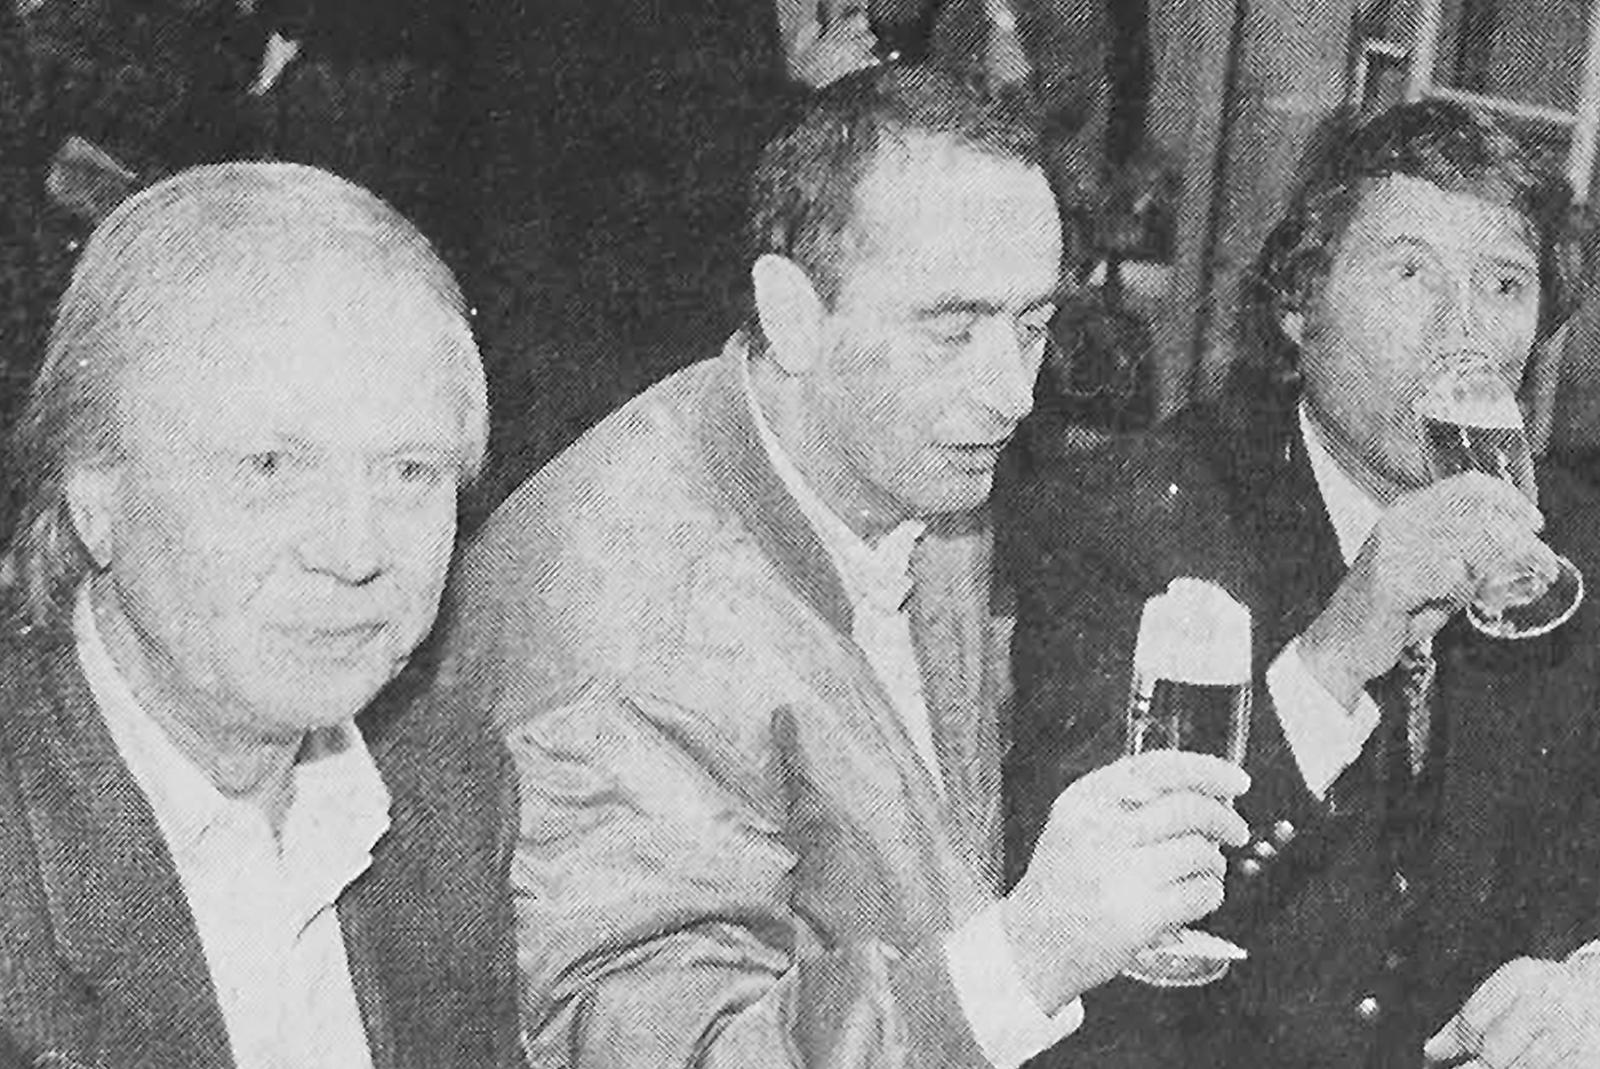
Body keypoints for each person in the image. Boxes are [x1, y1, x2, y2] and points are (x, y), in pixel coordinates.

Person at [432, 64, 1250, 1069]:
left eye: (1032, 326)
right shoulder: (628, 625)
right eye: (951, 330)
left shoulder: (908, 469)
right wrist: (1027, 956)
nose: (1011, 393)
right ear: (791, 312)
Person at [1003, 99, 1600, 1069]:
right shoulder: (1130, 519)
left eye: (1503, 284)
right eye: (1410, 272)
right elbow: (1090, 936)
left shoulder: (1573, 547)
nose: (1462, 331)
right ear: (1297, 304)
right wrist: (1336, 652)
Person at [0, 163, 525, 1069]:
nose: (355, 550)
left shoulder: (447, 779)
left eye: (410, 471)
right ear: (95, 490)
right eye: (272, 467)